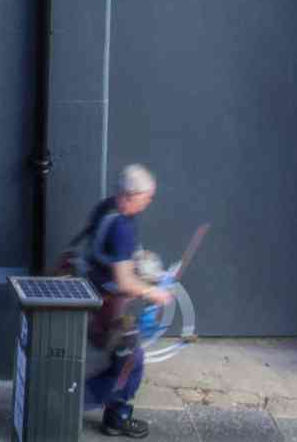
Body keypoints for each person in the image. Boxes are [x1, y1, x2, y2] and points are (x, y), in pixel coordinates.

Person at [71, 163, 173, 437]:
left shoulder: (106, 207)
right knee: (130, 362)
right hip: (106, 308)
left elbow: (106, 254)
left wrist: (141, 264)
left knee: (123, 359)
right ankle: (72, 403)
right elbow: (125, 282)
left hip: (90, 297)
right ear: (130, 195)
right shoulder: (123, 226)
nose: (149, 201)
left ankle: (113, 416)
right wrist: (154, 292)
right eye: (147, 197)